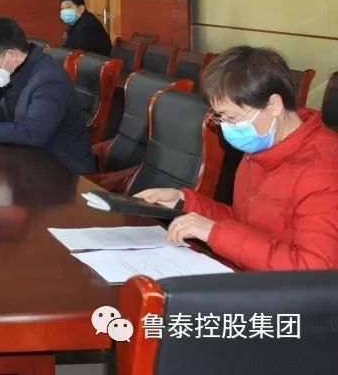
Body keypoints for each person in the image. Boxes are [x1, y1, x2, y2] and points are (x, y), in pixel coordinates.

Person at [136, 46, 338, 270]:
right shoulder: (262, 143)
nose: (226, 128)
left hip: (282, 289)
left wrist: (214, 233)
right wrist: (184, 202)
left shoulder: (324, 170)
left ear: (274, 105)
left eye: (232, 118)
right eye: (220, 118)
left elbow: (315, 268)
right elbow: (243, 222)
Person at [0, 17, 94, 174]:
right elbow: (5, 110)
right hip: (33, 163)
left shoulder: (48, 80)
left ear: (11, 55)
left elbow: (35, 132)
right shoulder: (21, 70)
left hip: (64, 170)